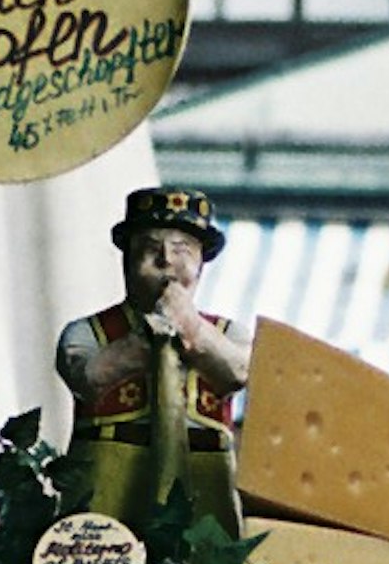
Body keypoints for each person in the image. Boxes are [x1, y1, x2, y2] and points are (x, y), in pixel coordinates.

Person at [55, 187, 250, 535]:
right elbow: (89, 378)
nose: (166, 261)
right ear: (126, 260)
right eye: (149, 249)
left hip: (204, 475)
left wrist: (189, 325)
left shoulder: (230, 333)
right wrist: (152, 334)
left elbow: (239, 372)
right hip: (112, 474)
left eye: (182, 250)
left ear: (201, 262)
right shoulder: (87, 333)